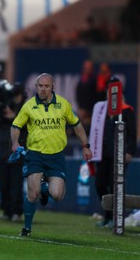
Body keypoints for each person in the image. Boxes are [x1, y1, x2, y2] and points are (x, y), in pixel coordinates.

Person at [11, 73, 93, 237]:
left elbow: (77, 125)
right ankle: (26, 228)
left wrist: (86, 146)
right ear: (36, 87)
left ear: (52, 87)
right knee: (32, 194)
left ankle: (44, 188)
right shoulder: (29, 106)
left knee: (57, 195)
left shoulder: (63, 105)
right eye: (40, 86)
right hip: (35, 154)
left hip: (56, 156)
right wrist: (15, 143)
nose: (43, 89)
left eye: (46, 86)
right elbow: (15, 126)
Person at [90, 76, 136, 228]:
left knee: (114, 185)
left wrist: (129, 152)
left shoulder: (126, 110)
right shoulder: (101, 109)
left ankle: (114, 219)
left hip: (119, 154)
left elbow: (132, 133)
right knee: (100, 184)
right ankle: (107, 216)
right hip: (103, 154)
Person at [0, 79, 27, 222]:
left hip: (16, 151)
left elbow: (27, 127)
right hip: (0, 151)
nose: (14, 97)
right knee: (3, 184)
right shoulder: (1, 105)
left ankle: (17, 212)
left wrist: (14, 117)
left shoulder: (24, 109)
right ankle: (6, 210)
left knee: (16, 184)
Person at [75, 59, 98, 134]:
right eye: (85, 68)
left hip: (90, 113)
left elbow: (95, 97)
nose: (87, 70)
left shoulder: (95, 81)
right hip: (82, 111)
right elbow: (78, 95)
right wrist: (81, 109)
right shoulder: (81, 80)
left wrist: (88, 111)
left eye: (89, 68)